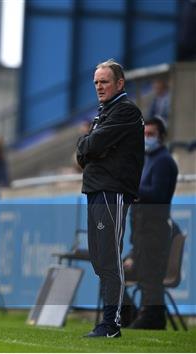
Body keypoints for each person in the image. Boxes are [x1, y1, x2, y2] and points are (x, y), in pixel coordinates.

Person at [76, 59, 145, 338]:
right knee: (99, 258)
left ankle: (111, 323)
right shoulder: (105, 113)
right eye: (96, 82)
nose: (99, 87)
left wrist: (89, 146)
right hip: (96, 188)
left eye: (104, 81)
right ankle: (125, 308)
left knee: (109, 256)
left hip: (112, 189)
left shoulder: (125, 111)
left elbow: (90, 145)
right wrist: (89, 146)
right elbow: (84, 152)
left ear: (119, 83)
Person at [124, 116, 178, 329]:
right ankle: (131, 314)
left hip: (154, 231)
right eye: (144, 134)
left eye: (151, 134)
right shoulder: (146, 159)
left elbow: (158, 195)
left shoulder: (164, 161)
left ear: (162, 136)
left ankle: (152, 316)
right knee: (111, 273)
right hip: (141, 230)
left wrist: (132, 188)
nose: (147, 138)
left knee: (150, 278)